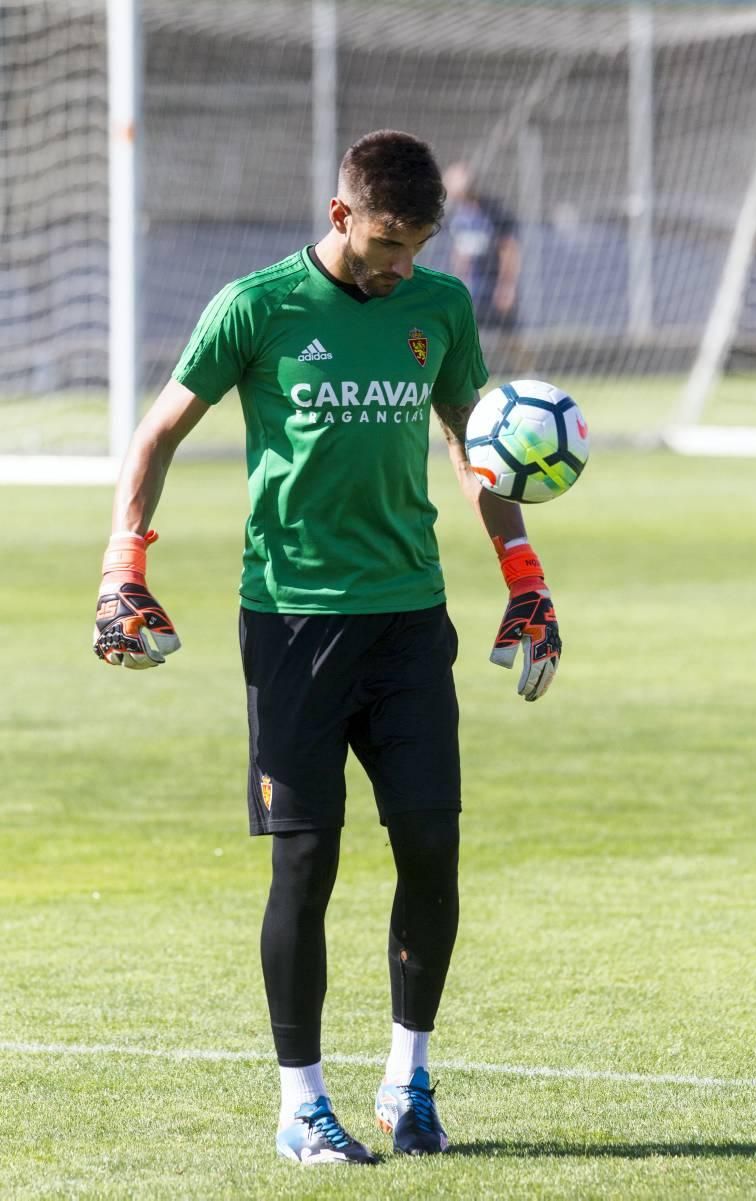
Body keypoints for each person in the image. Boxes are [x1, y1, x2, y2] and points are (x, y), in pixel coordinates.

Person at [93, 130, 561, 1166]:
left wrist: (524, 582)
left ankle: (409, 1081)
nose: (405, 264)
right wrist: (123, 566)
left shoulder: (436, 310)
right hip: (294, 622)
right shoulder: (255, 306)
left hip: (407, 618)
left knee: (431, 848)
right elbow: (158, 431)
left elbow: (470, 446)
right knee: (305, 864)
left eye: (420, 244)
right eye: (391, 242)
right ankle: (299, 1104)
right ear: (342, 214)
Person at [442, 160, 521, 330]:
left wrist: (506, 286)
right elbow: (459, 251)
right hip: (472, 290)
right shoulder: (457, 214)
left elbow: (508, 249)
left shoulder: (493, 210)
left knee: (510, 340)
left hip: (494, 288)